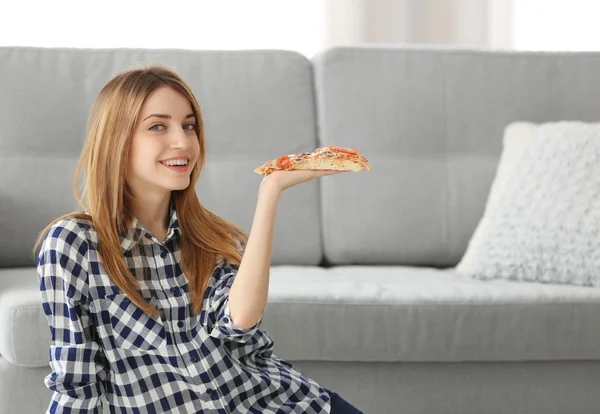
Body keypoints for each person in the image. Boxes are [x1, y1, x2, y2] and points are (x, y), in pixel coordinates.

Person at [33, 64, 364, 413]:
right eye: (158, 126)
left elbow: (239, 322)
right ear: (116, 139)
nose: (183, 141)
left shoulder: (213, 237)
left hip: (279, 403)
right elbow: (76, 383)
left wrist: (270, 192)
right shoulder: (73, 244)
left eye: (189, 125)